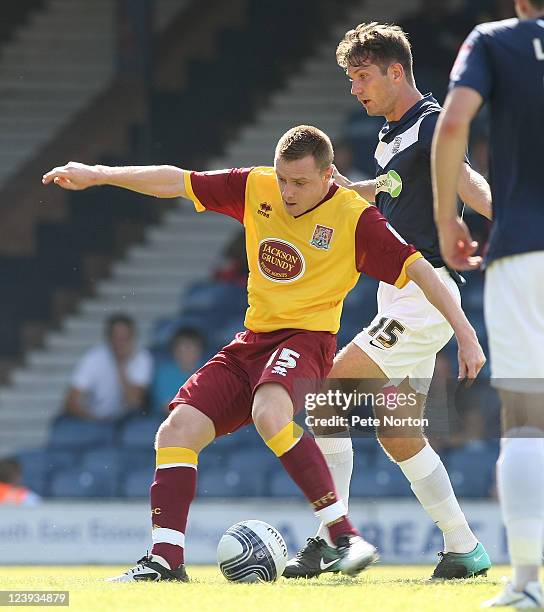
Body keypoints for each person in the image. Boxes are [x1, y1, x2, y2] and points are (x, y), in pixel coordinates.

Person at [43, 124, 484, 583]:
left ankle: (342, 534)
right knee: (176, 431)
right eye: (283, 179)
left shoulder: (354, 217)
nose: (288, 192)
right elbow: (176, 180)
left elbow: (419, 269)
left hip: (307, 341)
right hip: (253, 341)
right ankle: (164, 561)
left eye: (300, 183)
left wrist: (465, 333)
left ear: (329, 176)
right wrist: (97, 173)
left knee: (271, 412)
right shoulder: (256, 186)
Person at [284, 22, 493, 580]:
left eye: (361, 77)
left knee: (329, 393)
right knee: (398, 431)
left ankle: (332, 539)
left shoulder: (431, 126)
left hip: (424, 297)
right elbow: (399, 189)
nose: (355, 90)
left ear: (395, 72)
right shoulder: (389, 136)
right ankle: (464, 547)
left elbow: (467, 184)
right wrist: (355, 191)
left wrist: (523, 226)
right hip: (400, 293)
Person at [431, 0, 544, 606]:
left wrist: (448, 216)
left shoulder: (494, 41)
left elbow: (452, 126)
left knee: (527, 417)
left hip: (525, 249)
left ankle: (528, 583)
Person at [64, 313, 153, 421]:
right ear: (108, 338)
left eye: (125, 338)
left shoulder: (142, 358)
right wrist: (93, 420)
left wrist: (120, 365)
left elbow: (133, 402)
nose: (120, 343)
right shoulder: (94, 357)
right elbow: (71, 400)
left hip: (126, 422)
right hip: (93, 419)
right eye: (116, 337)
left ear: (133, 338)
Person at [151, 327, 205, 413]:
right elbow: (168, 408)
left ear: (199, 350)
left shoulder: (209, 370)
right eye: (182, 348)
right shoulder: (164, 373)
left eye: (190, 348)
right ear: (174, 350)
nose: (186, 353)